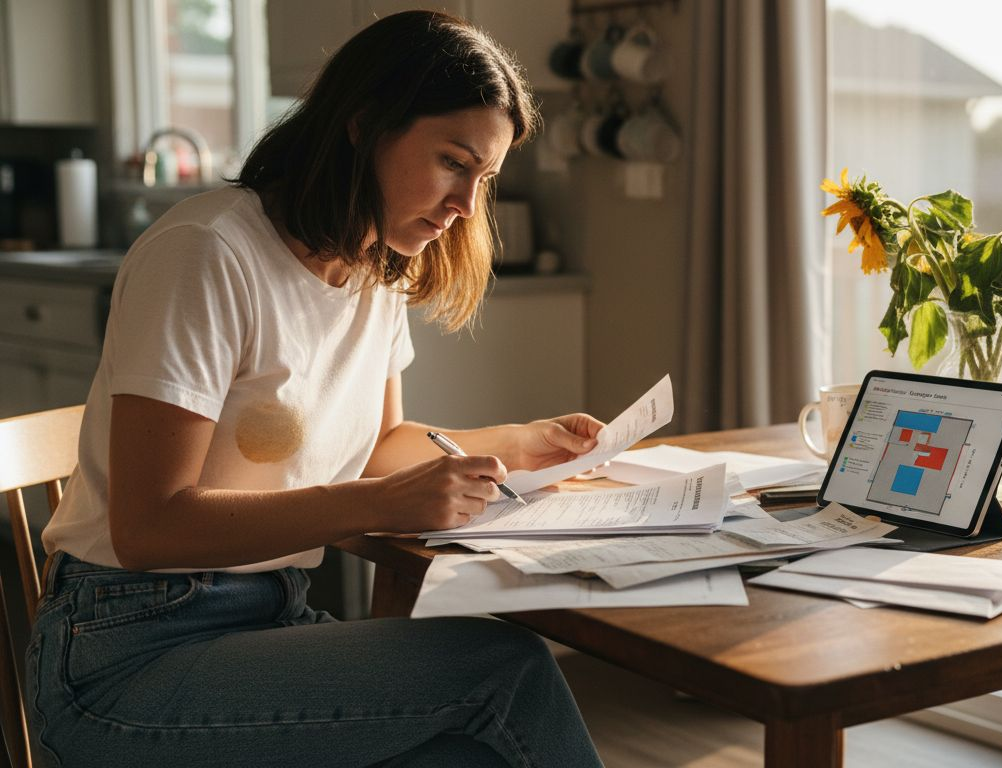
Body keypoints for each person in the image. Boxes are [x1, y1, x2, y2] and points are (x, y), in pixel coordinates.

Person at [26, 11, 605, 767]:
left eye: (484, 179)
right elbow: (146, 527)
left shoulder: (373, 270)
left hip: (266, 620)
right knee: (506, 670)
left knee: (473, 753)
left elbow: (376, 449)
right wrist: (374, 505)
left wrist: (521, 443)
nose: (467, 205)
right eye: (453, 163)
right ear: (364, 126)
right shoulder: (206, 254)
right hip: (124, 653)